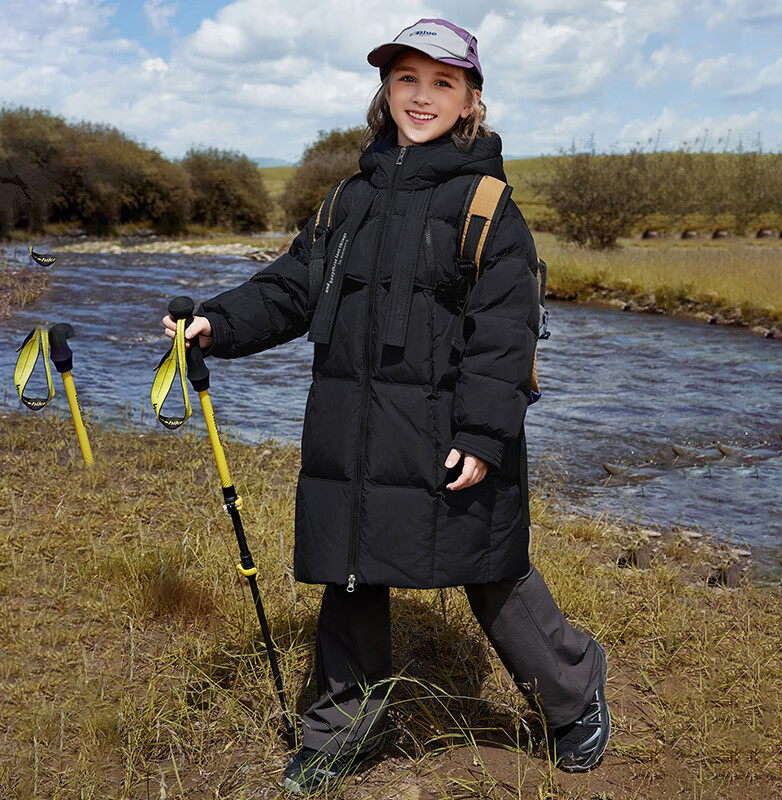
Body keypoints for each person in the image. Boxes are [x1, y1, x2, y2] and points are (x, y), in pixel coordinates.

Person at [162, 18, 609, 796]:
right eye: (407, 79)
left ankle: (574, 698)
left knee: (492, 572)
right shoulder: (347, 199)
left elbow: (505, 333)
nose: (422, 96)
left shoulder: (488, 206)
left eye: (442, 82)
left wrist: (482, 434)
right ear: (386, 91)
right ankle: (346, 732)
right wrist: (217, 321)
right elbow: (292, 287)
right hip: (355, 431)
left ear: (472, 99)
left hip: (453, 433)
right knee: (352, 572)